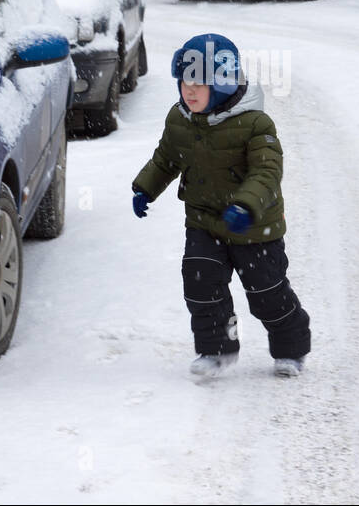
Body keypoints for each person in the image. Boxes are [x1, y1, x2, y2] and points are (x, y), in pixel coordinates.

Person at [131, 33, 311, 378]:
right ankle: (216, 350)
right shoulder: (180, 119)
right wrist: (145, 188)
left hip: (255, 227)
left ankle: (292, 348)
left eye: (200, 83)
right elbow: (166, 158)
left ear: (224, 82)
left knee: (266, 294)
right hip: (203, 221)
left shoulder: (256, 124)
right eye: (185, 81)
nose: (190, 90)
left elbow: (267, 171)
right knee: (201, 286)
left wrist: (245, 205)